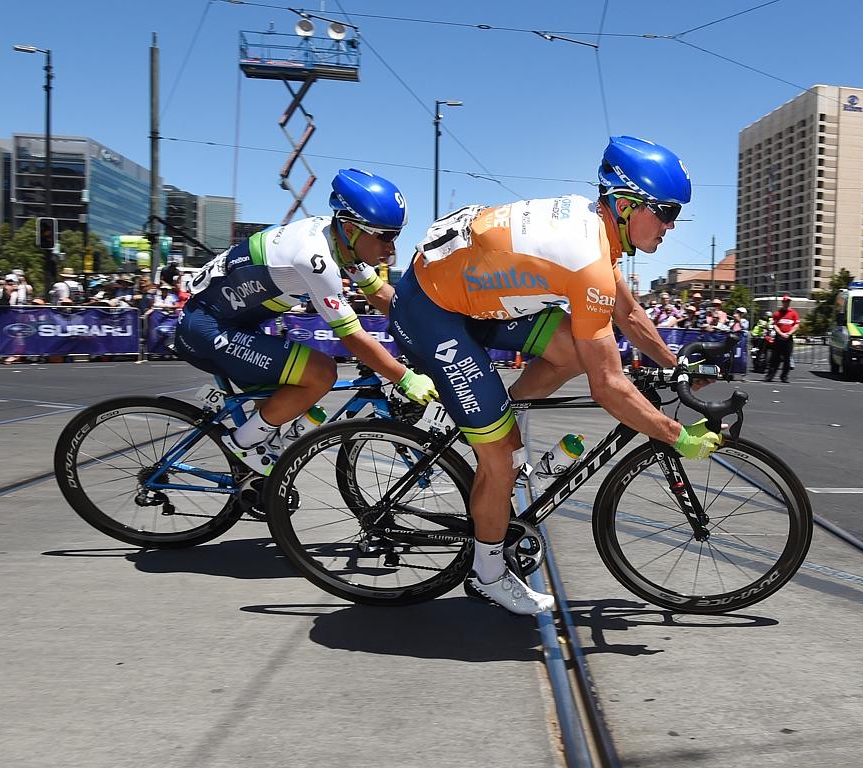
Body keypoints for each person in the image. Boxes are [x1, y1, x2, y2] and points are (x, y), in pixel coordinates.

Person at [389, 135, 722, 615]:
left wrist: (674, 366)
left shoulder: (597, 227)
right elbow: (607, 385)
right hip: (431, 312)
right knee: (500, 459)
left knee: (567, 351)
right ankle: (487, 573)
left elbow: (628, 314)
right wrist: (677, 436)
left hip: (470, 296)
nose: (671, 225)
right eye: (667, 212)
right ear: (628, 205)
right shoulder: (587, 260)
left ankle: (499, 427)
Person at [174, 168, 437, 474]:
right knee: (320, 373)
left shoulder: (340, 242)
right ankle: (242, 448)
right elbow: (351, 337)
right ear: (352, 229)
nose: (392, 249)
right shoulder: (315, 258)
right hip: (207, 327)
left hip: (235, 325)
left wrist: (432, 331)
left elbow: (383, 297)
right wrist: (404, 377)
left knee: (291, 403)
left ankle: (254, 477)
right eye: (386, 237)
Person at [765, 294, 800, 383]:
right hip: (779, 338)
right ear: (782, 302)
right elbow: (775, 325)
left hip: (788, 338)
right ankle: (770, 376)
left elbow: (796, 325)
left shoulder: (793, 313)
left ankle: (784, 377)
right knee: (775, 358)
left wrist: (789, 333)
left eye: (788, 302)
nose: (786, 303)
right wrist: (781, 333)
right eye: (785, 302)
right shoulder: (777, 313)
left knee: (787, 358)